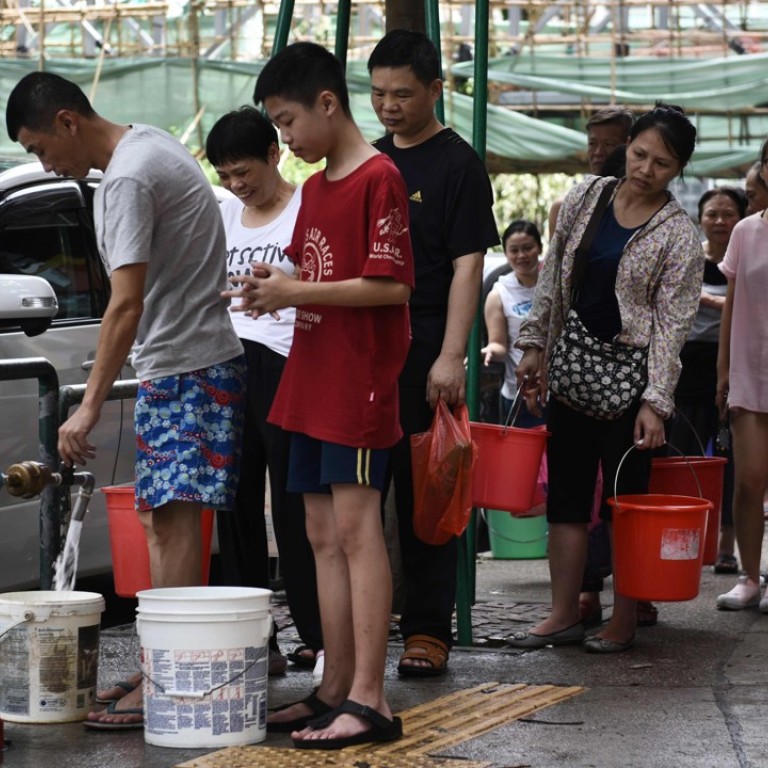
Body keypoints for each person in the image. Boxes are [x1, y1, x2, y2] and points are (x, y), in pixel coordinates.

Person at [6, 72, 246, 728]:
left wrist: (87, 407)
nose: (43, 162)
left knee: (171, 525)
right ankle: (159, 666)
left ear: (66, 121)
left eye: (38, 148)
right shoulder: (151, 149)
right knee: (162, 522)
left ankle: (168, 679)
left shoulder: (130, 176)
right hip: (189, 364)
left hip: (186, 368)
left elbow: (126, 302)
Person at [229, 41, 413, 748]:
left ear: (327, 105)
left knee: (358, 533)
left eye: (287, 122)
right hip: (308, 377)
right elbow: (314, 271)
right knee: (316, 535)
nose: (285, 138)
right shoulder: (315, 187)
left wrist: (296, 289)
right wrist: (272, 288)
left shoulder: (379, 177)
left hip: (357, 383)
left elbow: (391, 285)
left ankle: (372, 698)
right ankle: (335, 685)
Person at [509, 103, 704, 653]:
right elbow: (552, 279)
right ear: (629, 147)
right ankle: (562, 613)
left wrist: (656, 402)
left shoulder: (678, 236)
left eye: (662, 163)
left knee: (627, 509)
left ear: (678, 169)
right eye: (640, 154)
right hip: (572, 372)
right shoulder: (585, 197)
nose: (646, 169)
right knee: (567, 500)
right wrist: (533, 344)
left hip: (633, 389)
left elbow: (672, 326)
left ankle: (622, 620)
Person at [367, 29, 500, 677]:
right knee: (360, 495)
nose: (389, 106)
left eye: (403, 94)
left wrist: (452, 356)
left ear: (435, 90)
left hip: (424, 352)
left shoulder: (457, 165)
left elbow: (468, 267)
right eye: (378, 94)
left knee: (428, 493)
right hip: (364, 356)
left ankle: (427, 632)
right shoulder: (367, 161)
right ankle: (362, 626)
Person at [205, 107, 322, 676]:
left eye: (244, 171)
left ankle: (318, 634)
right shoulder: (226, 213)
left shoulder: (307, 208)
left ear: (275, 154)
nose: (236, 184)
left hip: (286, 361)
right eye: (225, 174)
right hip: (229, 362)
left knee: (297, 506)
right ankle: (257, 640)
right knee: (236, 505)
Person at [670, 187, 746, 574]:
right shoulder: (688, 259)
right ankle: (686, 541)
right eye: (711, 214)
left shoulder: (748, 259)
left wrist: (715, 302)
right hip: (686, 372)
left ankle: (728, 549)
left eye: (728, 214)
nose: (719, 221)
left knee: (732, 462)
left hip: (732, 371)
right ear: (699, 219)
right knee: (684, 460)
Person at [715, 140, 768, 611]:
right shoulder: (746, 231)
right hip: (751, 370)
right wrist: (723, 368)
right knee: (748, 481)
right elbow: (731, 302)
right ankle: (749, 577)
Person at [481, 219, 544, 428]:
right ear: (506, 253)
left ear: (540, 248)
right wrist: (489, 350)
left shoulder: (554, 286)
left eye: (527, 248)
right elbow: (498, 344)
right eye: (514, 250)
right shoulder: (499, 293)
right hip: (520, 391)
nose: (521, 255)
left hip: (557, 389)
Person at [547, 106, 634, 238]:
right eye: (592, 144)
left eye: (609, 144)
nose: (598, 152)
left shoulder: (642, 207)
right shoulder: (566, 208)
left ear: (629, 147)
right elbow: (556, 257)